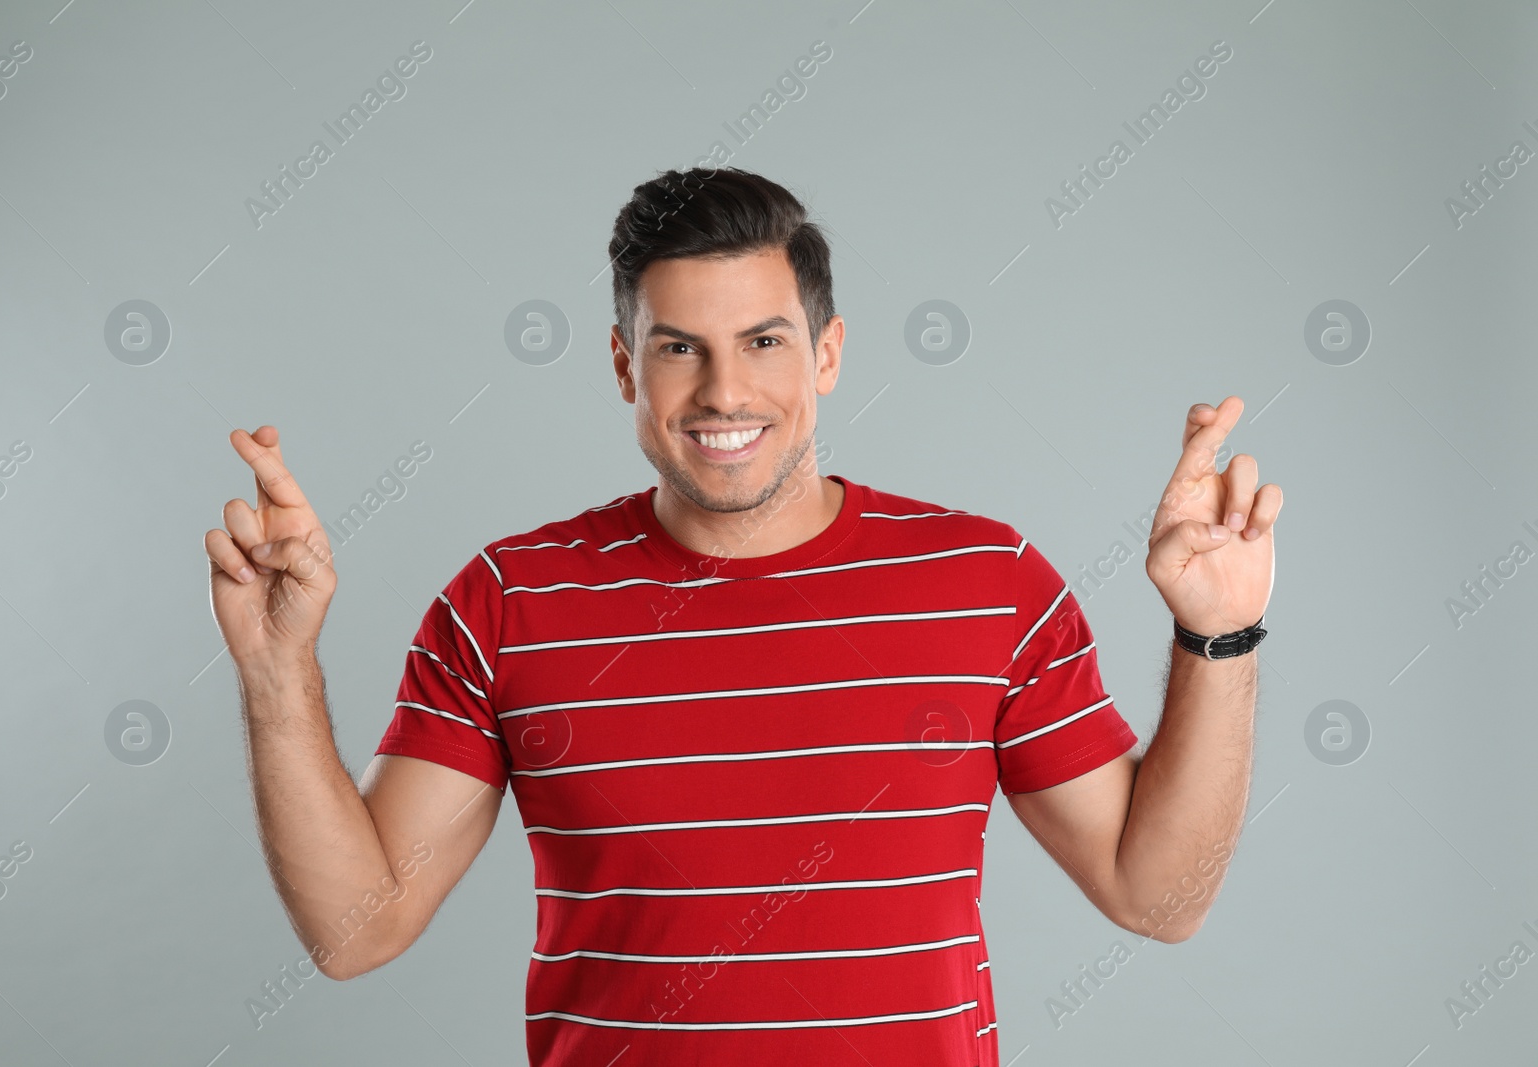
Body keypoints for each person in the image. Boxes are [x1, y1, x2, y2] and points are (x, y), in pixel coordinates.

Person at [204, 167, 1282, 1066]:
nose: (725, 391)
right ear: (624, 363)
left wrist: (1216, 635)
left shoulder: (986, 581)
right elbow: (358, 929)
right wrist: (274, 666)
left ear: (826, 353)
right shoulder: (508, 601)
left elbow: (1159, 896)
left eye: (764, 341)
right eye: (679, 347)